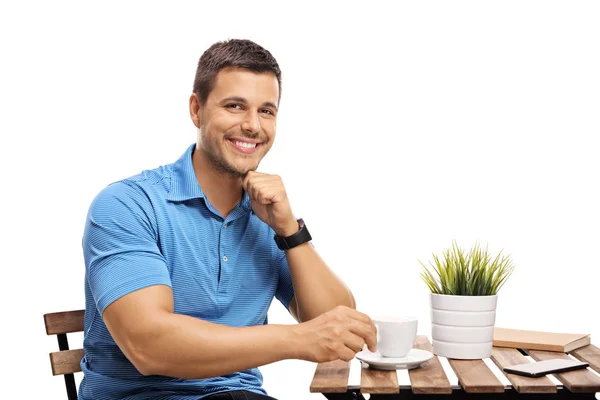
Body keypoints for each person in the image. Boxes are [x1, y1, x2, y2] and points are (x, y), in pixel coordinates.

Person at [80, 38, 377, 400]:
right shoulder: (127, 206)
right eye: (235, 106)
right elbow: (149, 347)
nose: (253, 125)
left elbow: (336, 323)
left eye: (266, 111)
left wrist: (290, 231)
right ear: (196, 109)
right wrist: (296, 340)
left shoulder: (269, 218)